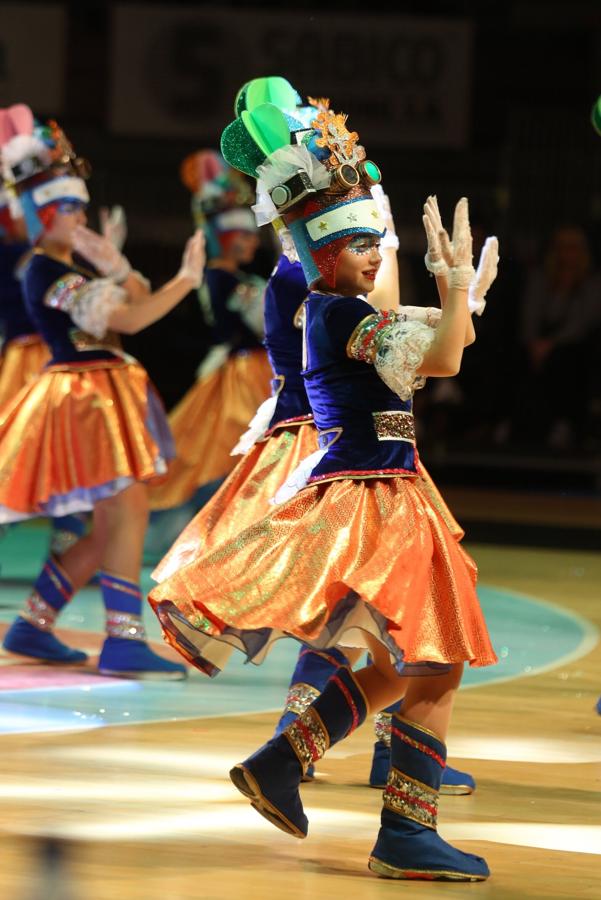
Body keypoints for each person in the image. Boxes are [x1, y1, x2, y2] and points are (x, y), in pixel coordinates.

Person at [149, 90, 498, 880]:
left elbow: (447, 348)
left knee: (393, 664)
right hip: (374, 499)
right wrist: (447, 294)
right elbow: (438, 360)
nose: (375, 253)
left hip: (386, 495)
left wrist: (459, 294)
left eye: (377, 238)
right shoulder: (331, 314)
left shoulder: (340, 309)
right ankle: (403, 831)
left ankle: (284, 759)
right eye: (357, 243)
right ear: (320, 251)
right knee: (431, 663)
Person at [0, 104, 204, 676]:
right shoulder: (42, 271)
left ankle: (34, 623)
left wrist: (115, 264)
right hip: (87, 401)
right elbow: (133, 321)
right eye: (66, 207)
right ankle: (122, 640)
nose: (78, 215)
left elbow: (129, 300)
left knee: (113, 520)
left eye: (79, 205)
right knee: (128, 512)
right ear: (40, 215)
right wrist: (185, 281)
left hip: (101, 392)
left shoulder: (67, 267)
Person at [148, 150, 272, 514]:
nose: (252, 242)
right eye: (244, 235)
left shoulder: (228, 279)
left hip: (242, 367)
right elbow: (264, 323)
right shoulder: (225, 280)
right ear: (226, 236)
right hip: (245, 373)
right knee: (235, 449)